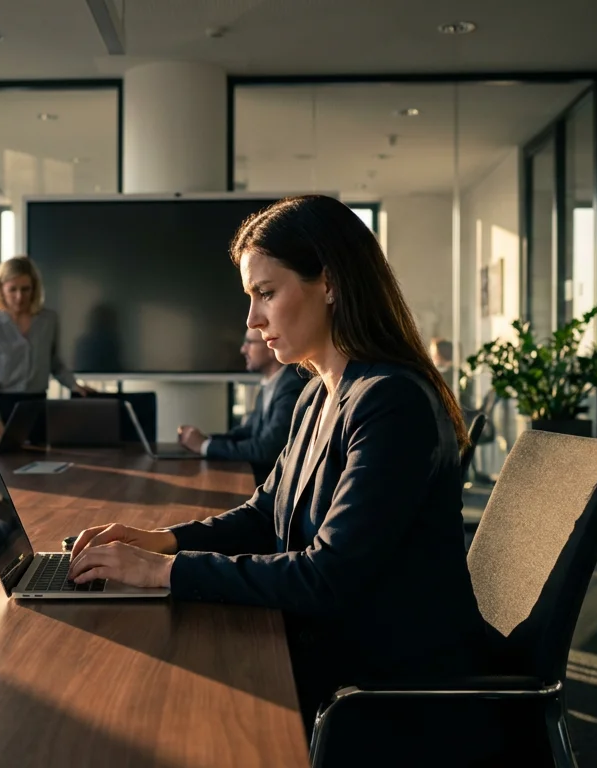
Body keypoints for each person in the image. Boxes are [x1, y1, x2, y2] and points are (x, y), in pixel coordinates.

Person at [67, 195, 488, 749]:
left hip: (378, 687)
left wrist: (160, 572)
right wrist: (161, 542)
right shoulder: (318, 392)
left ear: (330, 282)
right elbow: (267, 511)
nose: (251, 319)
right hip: (328, 649)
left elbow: (327, 577)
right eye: (250, 297)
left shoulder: (391, 403)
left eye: (266, 293)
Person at [0, 256, 94, 442]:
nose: (19, 297)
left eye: (25, 289)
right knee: (0, 467)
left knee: (38, 465)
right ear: (1, 289)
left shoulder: (48, 320)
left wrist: (73, 385)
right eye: (12, 290)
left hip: (35, 407)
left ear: (34, 289)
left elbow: (54, 362)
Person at [175, 329, 306, 484]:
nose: (243, 349)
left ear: (272, 347)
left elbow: (268, 449)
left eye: (250, 342)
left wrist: (205, 446)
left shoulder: (292, 387)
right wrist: (206, 439)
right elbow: (250, 432)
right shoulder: (271, 384)